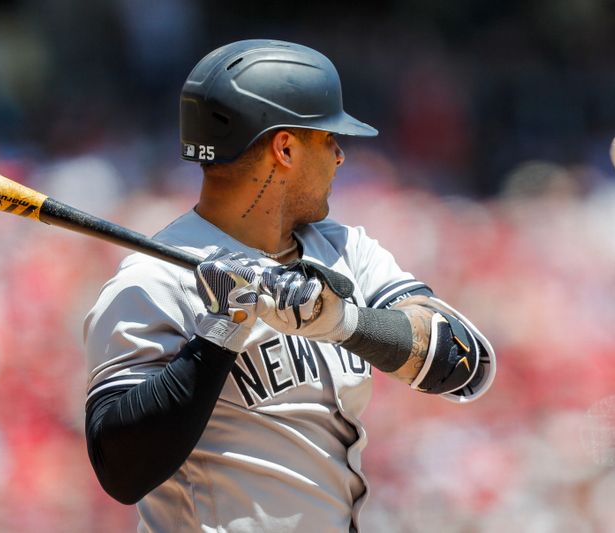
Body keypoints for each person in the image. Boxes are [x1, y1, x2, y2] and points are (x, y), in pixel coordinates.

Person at [83, 39, 496, 533]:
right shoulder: (154, 281)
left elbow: (463, 365)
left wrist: (343, 322)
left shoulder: (345, 251)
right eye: (328, 138)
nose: (341, 156)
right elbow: (121, 472)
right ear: (285, 148)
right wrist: (221, 330)